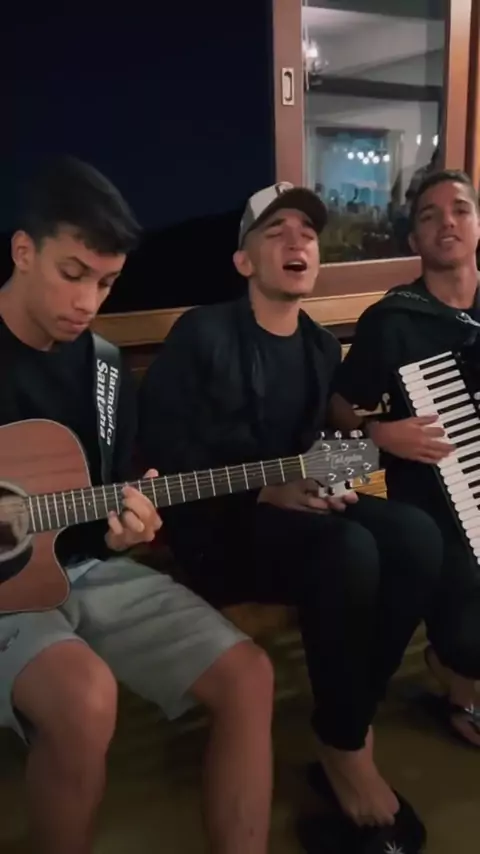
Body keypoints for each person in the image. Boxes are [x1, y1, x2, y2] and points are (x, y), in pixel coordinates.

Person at [138, 181, 443, 846]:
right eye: (275, 232)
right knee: (348, 552)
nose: (296, 241)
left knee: (417, 538)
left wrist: (355, 462)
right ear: (244, 261)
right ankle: (346, 747)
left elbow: (316, 454)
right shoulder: (203, 333)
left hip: (290, 521)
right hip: (212, 530)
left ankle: (348, 718)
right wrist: (262, 491)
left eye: (307, 233)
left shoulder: (318, 348)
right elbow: (157, 453)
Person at [0, 156, 274, 854]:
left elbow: (103, 508)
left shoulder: (104, 369)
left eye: (106, 282)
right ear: (24, 251)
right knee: (85, 697)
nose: (88, 301)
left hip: (85, 571)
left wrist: (124, 533)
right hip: (8, 597)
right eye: (73, 273)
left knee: (249, 677)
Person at [331, 168, 480, 748]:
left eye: (460, 210)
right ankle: (458, 671)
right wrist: (378, 434)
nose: (448, 223)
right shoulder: (393, 322)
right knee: (468, 627)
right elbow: (337, 406)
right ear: (414, 239)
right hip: (436, 495)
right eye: (429, 215)